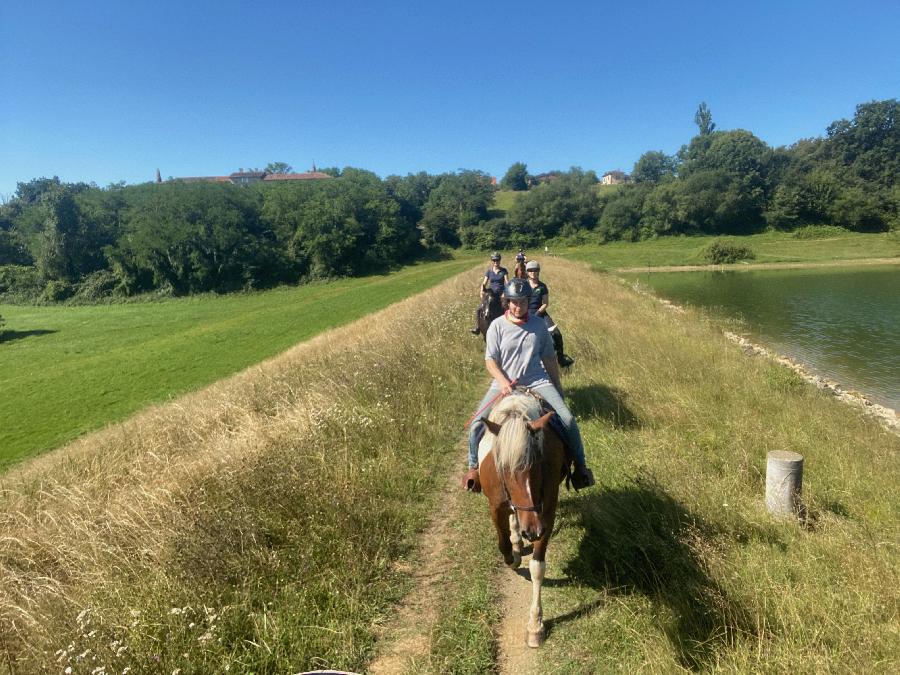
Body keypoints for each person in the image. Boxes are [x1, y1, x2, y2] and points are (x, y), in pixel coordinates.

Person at [463, 278, 595, 491]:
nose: (518, 306)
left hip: (536, 381)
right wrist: (503, 382)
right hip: (504, 384)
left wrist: (558, 388)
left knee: (568, 419)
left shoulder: (539, 325)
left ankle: (580, 468)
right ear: (507, 302)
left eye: (523, 302)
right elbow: (490, 361)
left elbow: (549, 360)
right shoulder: (496, 326)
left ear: (528, 302)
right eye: (514, 302)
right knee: (478, 422)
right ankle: (473, 468)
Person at [525, 260, 575, 367]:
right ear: (527, 272)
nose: (533, 272)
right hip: (526, 314)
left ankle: (561, 359)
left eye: (536, 270)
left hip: (540, 313)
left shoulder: (542, 286)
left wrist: (538, 313)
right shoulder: (524, 285)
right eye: (530, 270)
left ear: (539, 272)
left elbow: (545, 303)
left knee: (556, 333)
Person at [470, 252, 508, 335]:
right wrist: (481, 292)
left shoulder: (504, 271)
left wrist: (504, 293)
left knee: (506, 308)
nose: (496, 262)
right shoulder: (489, 272)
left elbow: (507, 283)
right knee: (479, 309)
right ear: (492, 261)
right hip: (491, 294)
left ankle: (509, 326)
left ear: (499, 260)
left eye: (497, 260)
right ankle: (478, 327)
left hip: (501, 294)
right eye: (494, 260)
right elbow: (484, 283)